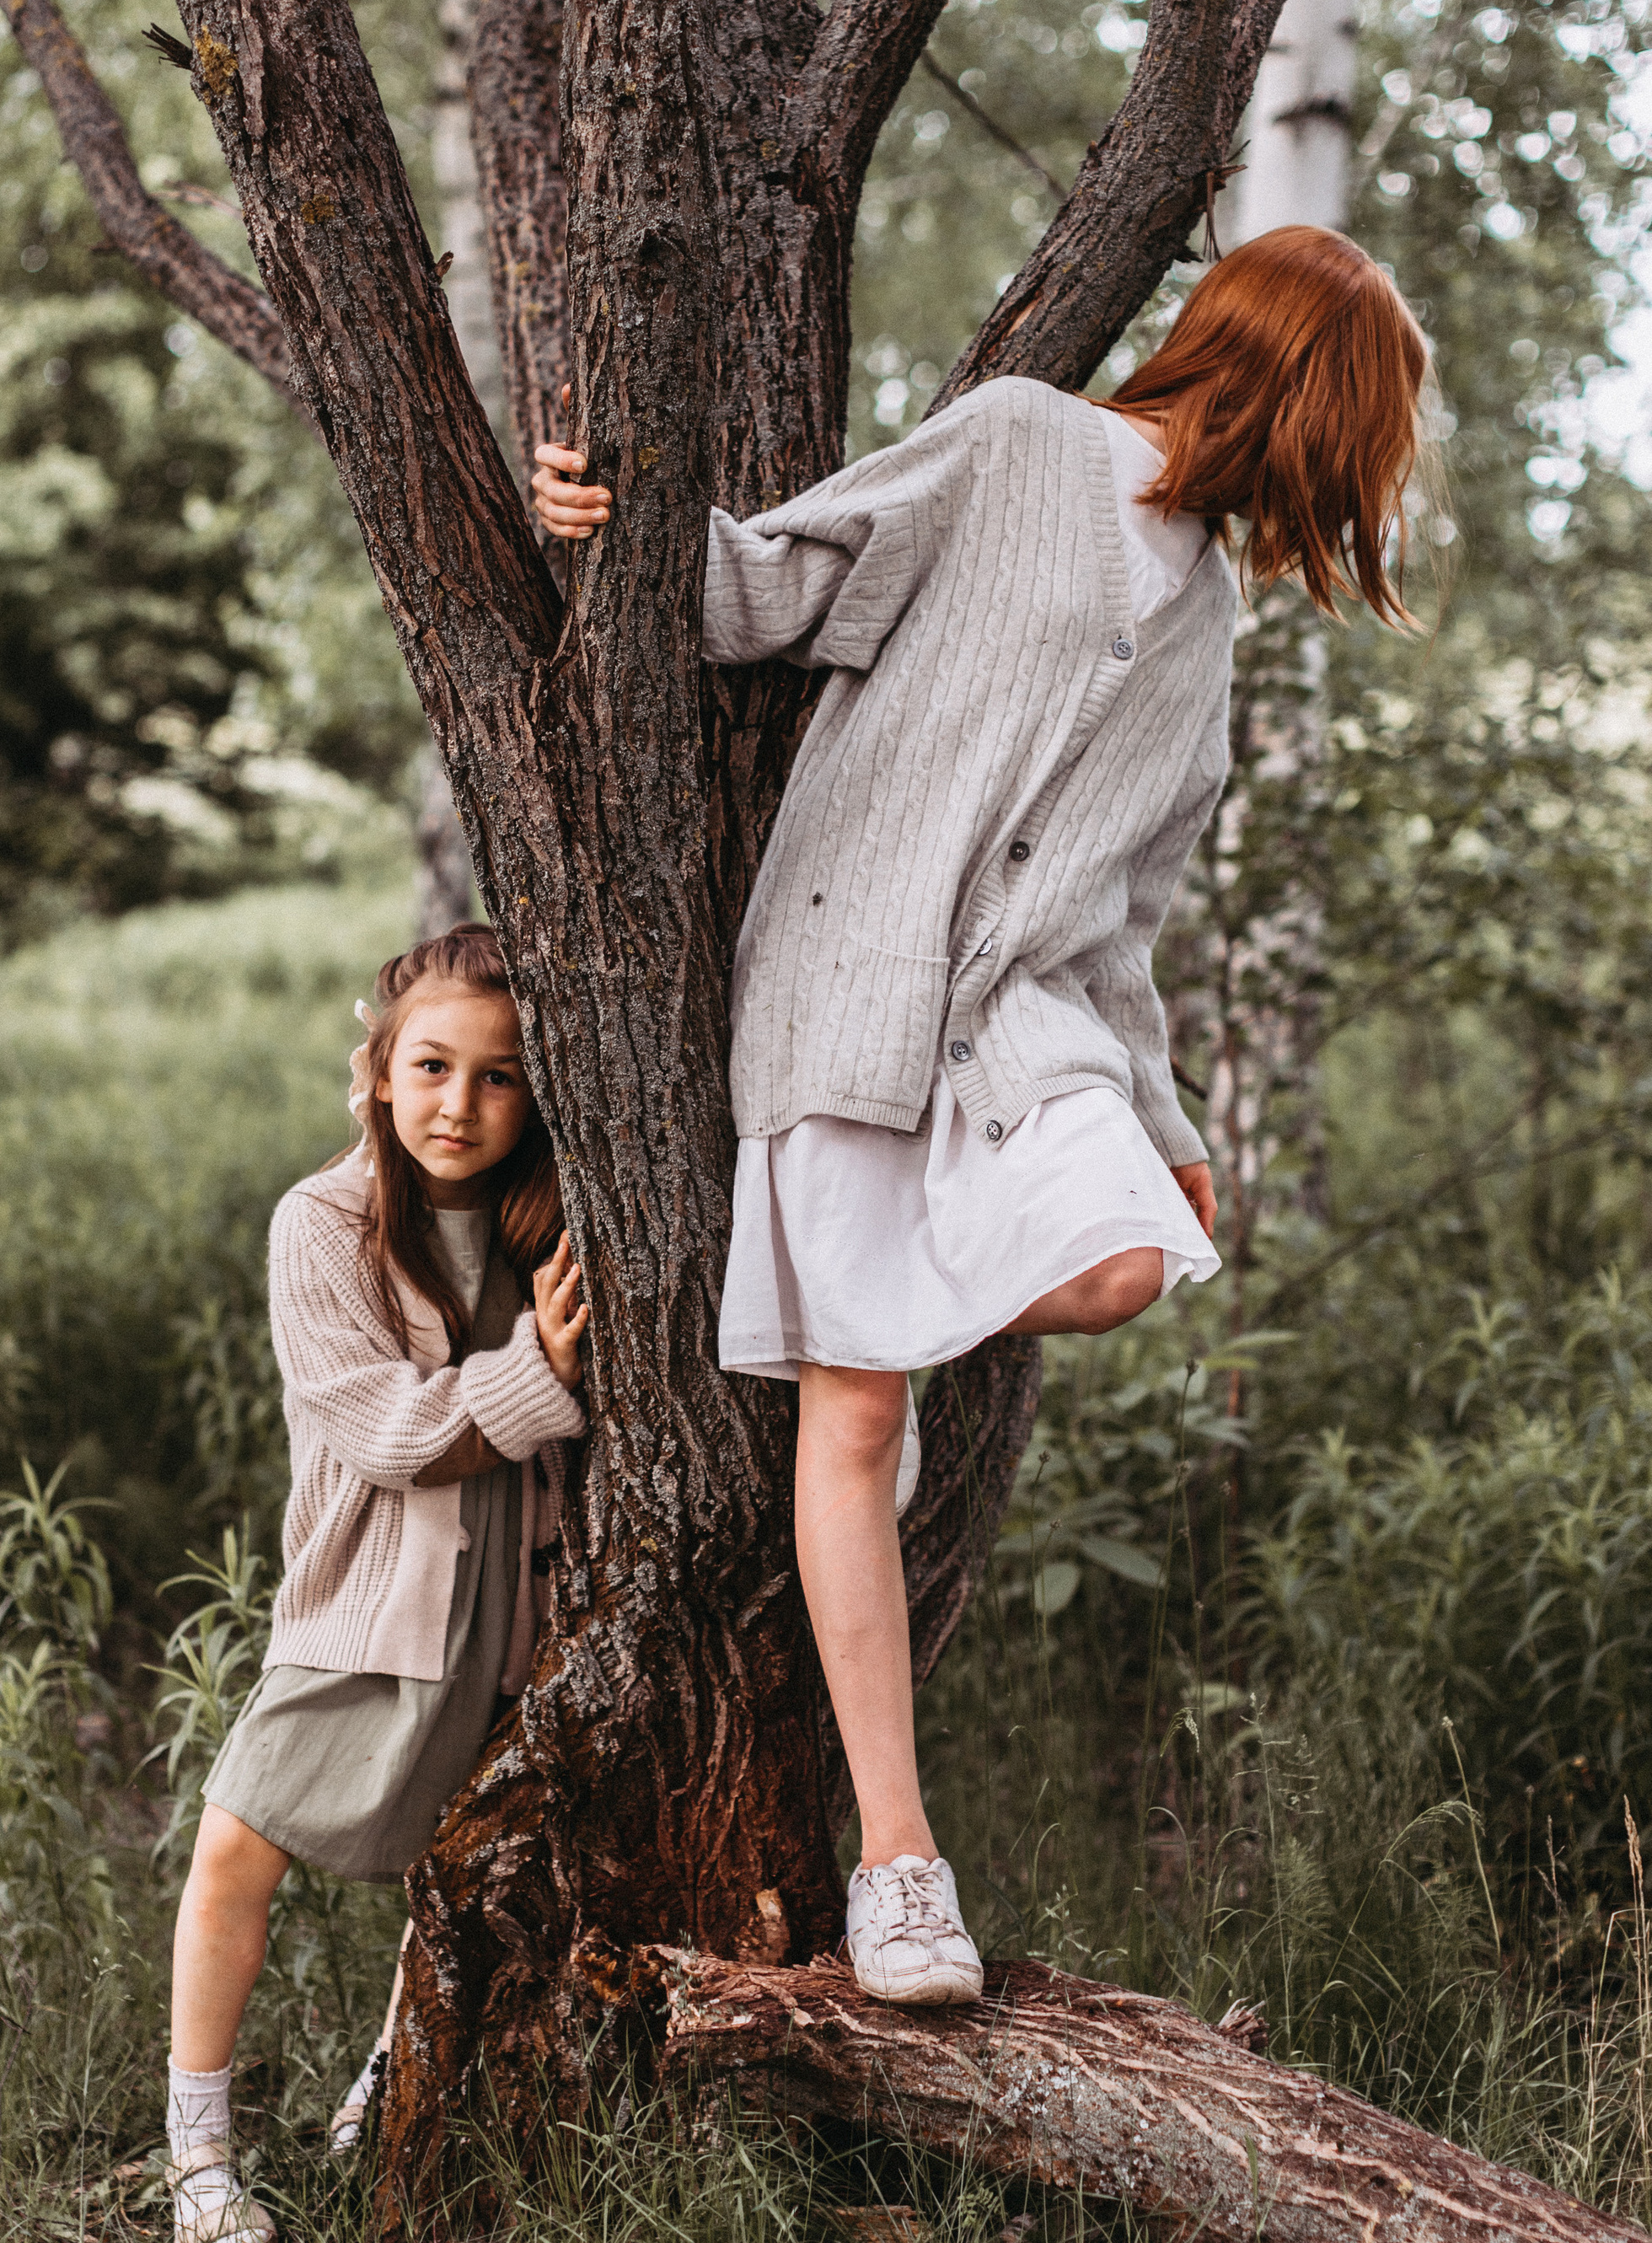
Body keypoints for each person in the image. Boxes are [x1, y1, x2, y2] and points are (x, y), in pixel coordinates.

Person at [532, 225, 1429, 2009]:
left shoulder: (1210, 624)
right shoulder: (1020, 441)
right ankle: (896, 1864)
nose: (1361, 475)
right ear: (1299, 393)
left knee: (1120, 1267)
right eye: (1364, 429)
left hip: (1026, 1037)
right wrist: (599, 521)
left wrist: (1161, 1116)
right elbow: (767, 590)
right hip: (851, 991)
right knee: (854, 1424)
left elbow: (1132, 919)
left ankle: (877, 1295)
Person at [164, 924, 588, 2243]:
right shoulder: (323, 1222)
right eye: (431, 1066)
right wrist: (543, 1373)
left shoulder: (559, 1225)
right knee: (237, 1841)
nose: (458, 1106)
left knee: (467, 1870)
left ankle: (381, 2090)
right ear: (380, 1068)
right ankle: (197, 2156)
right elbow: (388, 1433)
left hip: (526, 1618)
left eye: (499, 1077)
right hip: (369, 1604)